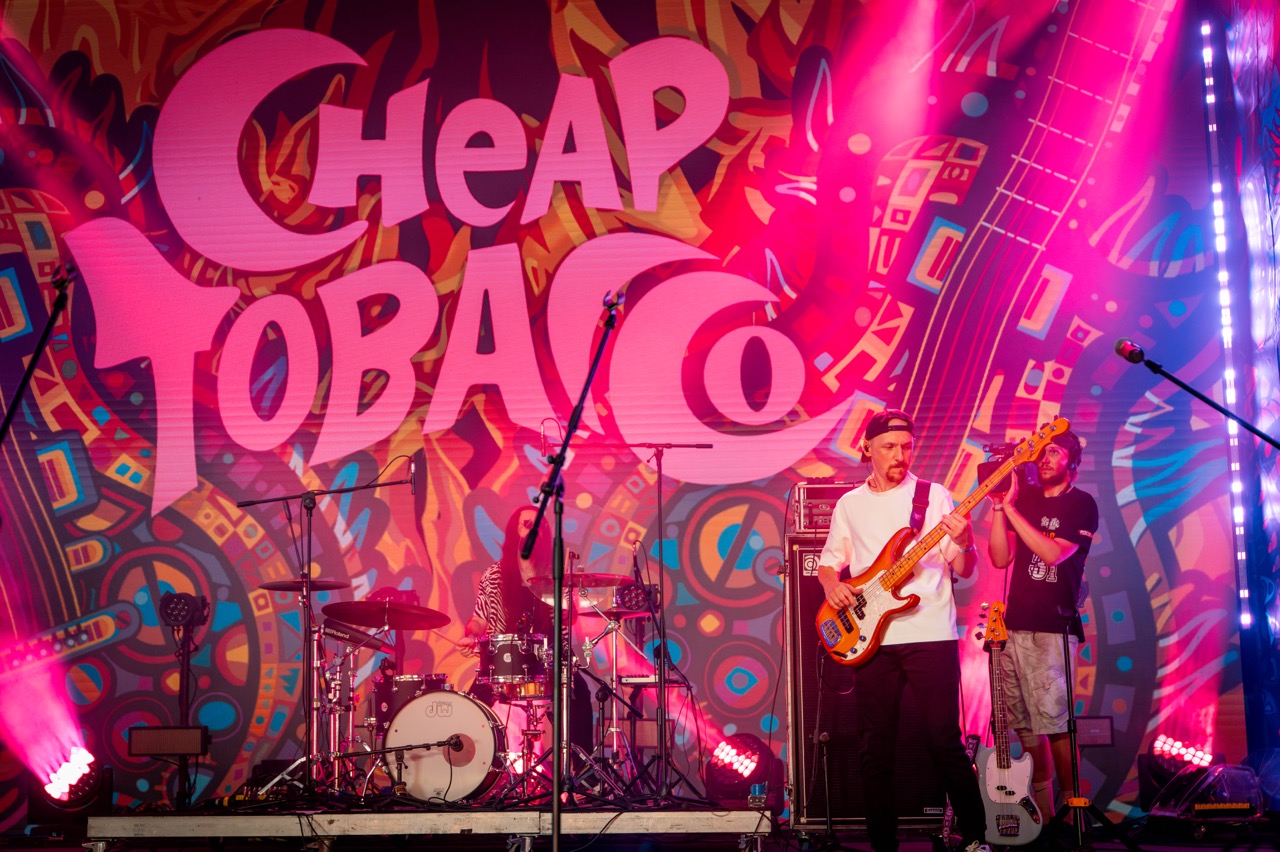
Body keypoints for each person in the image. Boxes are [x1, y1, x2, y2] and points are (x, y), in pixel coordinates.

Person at [817, 408, 990, 852]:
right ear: (867, 449)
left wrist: (966, 542)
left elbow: (964, 568)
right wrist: (834, 587)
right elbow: (828, 564)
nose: (900, 455)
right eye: (890, 447)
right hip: (870, 637)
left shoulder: (934, 496)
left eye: (907, 446)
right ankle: (883, 844)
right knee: (875, 747)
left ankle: (976, 838)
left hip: (930, 633)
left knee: (943, 741)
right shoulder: (850, 504)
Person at [987, 426, 1098, 822]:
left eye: (1054, 452)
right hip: (1014, 625)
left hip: (1053, 627)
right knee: (1026, 727)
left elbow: (1053, 554)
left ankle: (1073, 818)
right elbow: (1000, 558)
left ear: (1072, 461)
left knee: (1056, 724)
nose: (1045, 458)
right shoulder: (1026, 500)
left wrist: (1013, 511)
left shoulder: (1081, 503)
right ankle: (1044, 817)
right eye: (1042, 452)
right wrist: (999, 507)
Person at [457, 505, 594, 766]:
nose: (533, 530)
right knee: (473, 705)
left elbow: (572, 617)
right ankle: (476, 773)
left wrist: (567, 611)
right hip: (505, 662)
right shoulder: (494, 575)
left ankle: (581, 772)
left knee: (580, 694)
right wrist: (470, 636)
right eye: (527, 524)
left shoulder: (557, 575)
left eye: (539, 526)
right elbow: (478, 620)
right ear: (514, 531)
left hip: (551, 660)